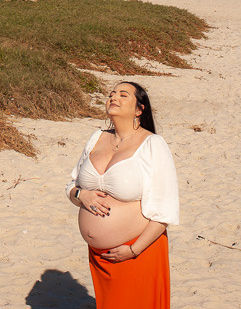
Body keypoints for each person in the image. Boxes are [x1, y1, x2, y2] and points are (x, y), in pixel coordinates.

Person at [67, 82, 179, 308]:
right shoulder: (96, 137)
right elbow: (71, 186)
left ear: (139, 109)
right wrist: (82, 195)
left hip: (137, 251)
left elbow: (165, 212)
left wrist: (133, 250)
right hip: (100, 258)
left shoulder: (153, 145)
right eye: (111, 94)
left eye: (123, 94)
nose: (113, 97)